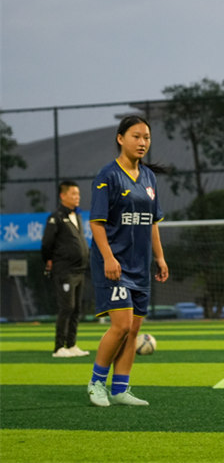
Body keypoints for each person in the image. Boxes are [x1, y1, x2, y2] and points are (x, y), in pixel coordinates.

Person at [86, 115, 169, 408]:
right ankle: (96, 383)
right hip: (114, 265)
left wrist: (159, 257)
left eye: (146, 137)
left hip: (140, 264)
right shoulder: (107, 176)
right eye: (136, 136)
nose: (143, 142)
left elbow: (152, 222)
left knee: (134, 330)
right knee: (120, 326)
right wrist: (108, 257)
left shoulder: (149, 177)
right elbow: (96, 223)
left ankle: (120, 388)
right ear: (120, 138)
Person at [41, 180, 90, 358]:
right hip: (65, 271)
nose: (77, 197)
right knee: (66, 307)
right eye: (73, 194)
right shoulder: (56, 217)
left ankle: (71, 344)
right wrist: (48, 260)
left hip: (79, 270)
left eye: (78, 194)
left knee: (77, 308)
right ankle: (59, 347)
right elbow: (47, 243)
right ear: (63, 196)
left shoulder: (77, 216)